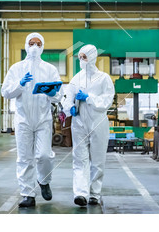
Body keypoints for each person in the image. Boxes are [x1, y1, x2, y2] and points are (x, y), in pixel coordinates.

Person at [1, 32, 62, 208]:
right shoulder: (16, 68)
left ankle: (44, 180)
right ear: (26, 45)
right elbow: (6, 92)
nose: (34, 47)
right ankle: (28, 194)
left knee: (44, 155)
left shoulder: (50, 69)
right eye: (31, 43)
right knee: (24, 157)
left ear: (42, 46)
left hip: (43, 118)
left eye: (38, 44)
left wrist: (52, 92)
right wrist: (19, 84)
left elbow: (59, 94)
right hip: (23, 118)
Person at [63, 44, 114, 207]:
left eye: (84, 57)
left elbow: (107, 101)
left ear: (92, 57)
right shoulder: (76, 79)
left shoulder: (104, 78)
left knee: (98, 160)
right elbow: (67, 97)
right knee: (79, 160)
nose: (81, 60)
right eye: (79, 57)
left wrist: (89, 97)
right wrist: (69, 107)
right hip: (79, 124)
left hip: (98, 123)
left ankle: (95, 194)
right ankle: (80, 193)